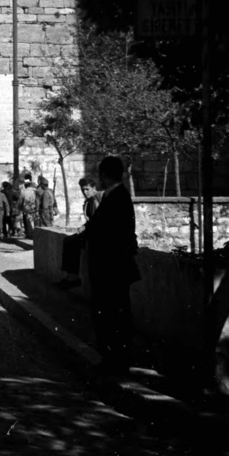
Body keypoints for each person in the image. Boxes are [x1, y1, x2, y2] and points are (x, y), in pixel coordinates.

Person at [83, 155, 139, 374]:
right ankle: (114, 358)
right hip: (114, 268)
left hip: (110, 269)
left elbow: (100, 230)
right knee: (114, 314)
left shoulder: (115, 197)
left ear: (104, 176)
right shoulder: (117, 195)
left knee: (111, 315)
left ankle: (115, 360)